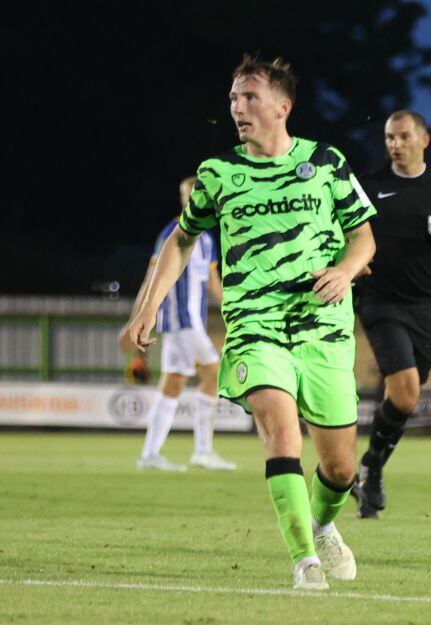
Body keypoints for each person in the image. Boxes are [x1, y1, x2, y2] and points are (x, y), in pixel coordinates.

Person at [119, 55, 377, 590]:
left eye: (250, 97)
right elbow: (181, 240)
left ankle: (323, 523)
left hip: (324, 331)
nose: (238, 107)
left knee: (341, 469)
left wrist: (347, 270)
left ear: (283, 106)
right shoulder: (218, 174)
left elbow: (364, 235)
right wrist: (145, 308)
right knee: (281, 434)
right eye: (234, 98)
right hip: (257, 327)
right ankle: (304, 561)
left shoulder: (326, 162)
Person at [349, 110, 431, 519]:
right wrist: (352, 260)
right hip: (379, 301)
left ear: (423, 140)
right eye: (390, 137)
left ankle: (371, 469)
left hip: (427, 306)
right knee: (405, 391)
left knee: (404, 402)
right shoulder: (369, 186)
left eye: (404, 137)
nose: (396, 144)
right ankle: (370, 471)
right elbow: (340, 231)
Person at [127, 176, 235, 472]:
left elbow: (213, 283)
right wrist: (138, 317)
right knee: (210, 373)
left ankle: (156, 453)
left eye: (198, 194)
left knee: (180, 381)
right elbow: (152, 278)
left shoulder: (209, 239)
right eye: (188, 195)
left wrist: (235, 311)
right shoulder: (172, 233)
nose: (193, 199)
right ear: (183, 199)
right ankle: (195, 451)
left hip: (192, 324)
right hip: (179, 322)